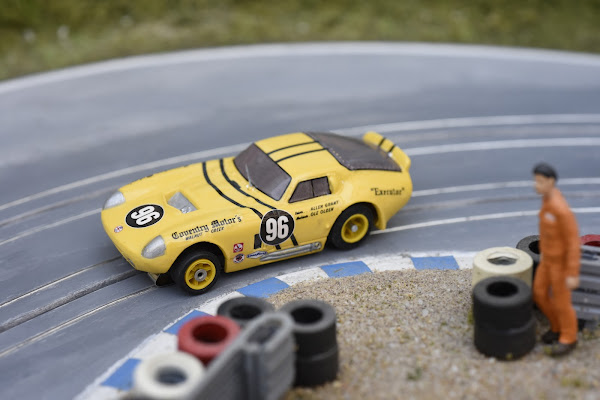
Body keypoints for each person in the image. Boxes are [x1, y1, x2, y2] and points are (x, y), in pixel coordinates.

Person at [532, 163, 580, 356]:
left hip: (561, 264)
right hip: (547, 260)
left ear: (551, 182)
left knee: (562, 302)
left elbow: (573, 243)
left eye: (540, 181)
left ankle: (569, 337)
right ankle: (556, 326)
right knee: (539, 293)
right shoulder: (546, 202)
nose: (536, 185)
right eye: (536, 181)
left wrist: (572, 273)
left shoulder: (561, 209)